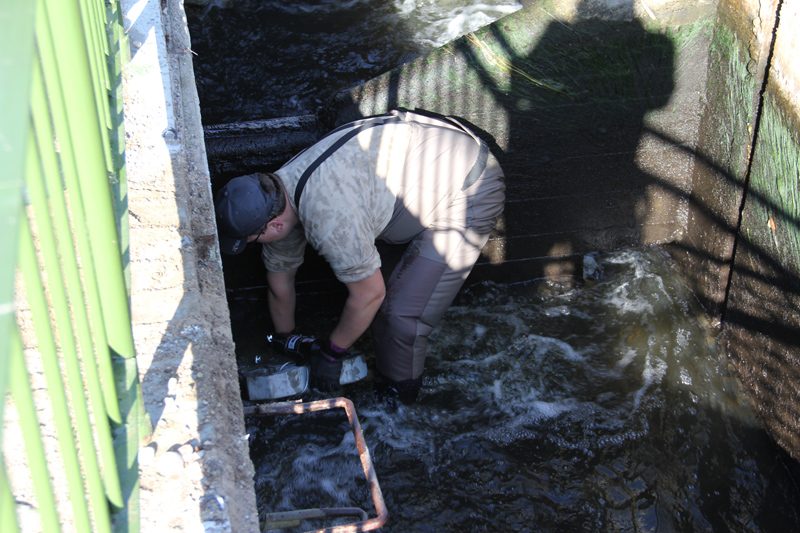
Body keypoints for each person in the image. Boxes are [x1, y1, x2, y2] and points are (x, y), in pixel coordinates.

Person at [215, 108, 505, 403]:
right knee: (381, 297)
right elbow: (280, 283)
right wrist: (287, 339)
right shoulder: (278, 194)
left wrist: (332, 352)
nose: (252, 245)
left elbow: (369, 295)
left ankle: (398, 403)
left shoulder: (329, 215)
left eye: (251, 240)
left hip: (468, 186)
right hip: (419, 170)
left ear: (272, 226)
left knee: (400, 314)